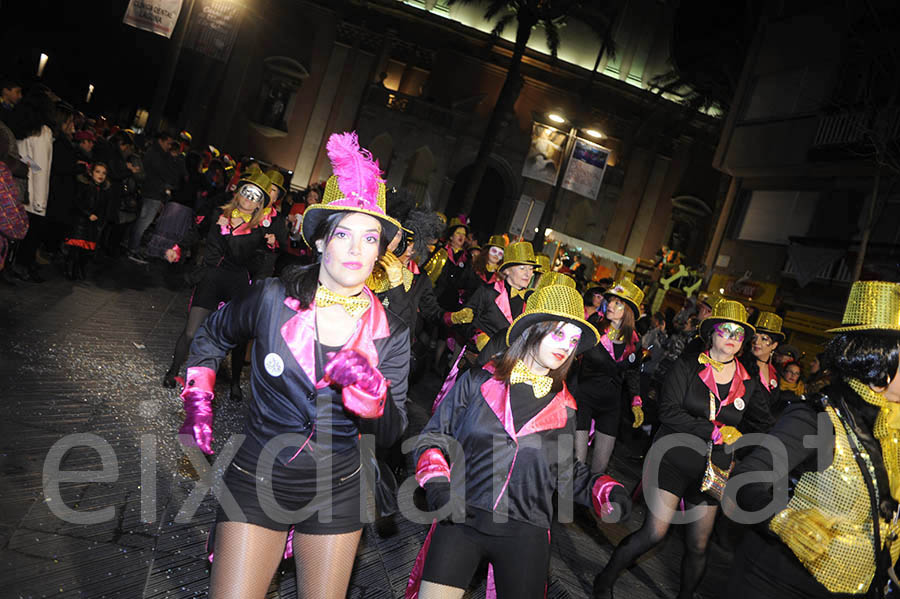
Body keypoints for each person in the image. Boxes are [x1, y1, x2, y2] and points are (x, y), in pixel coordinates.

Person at [178, 131, 409, 599]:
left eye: (370, 239)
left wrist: (372, 398)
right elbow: (211, 336)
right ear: (321, 241)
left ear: (380, 253)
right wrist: (198, 400)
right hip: (257, 477)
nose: (355, 250)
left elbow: (393, 433)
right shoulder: (270, 299)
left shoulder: (392, 333)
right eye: (343, 234)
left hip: (338, 489)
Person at [408, 284, 631, 599]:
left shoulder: (566, 407)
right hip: (461, 515)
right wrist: (438, 485)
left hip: (526, 529)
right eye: (558, 334)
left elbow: (565, 471)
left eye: (573, 339)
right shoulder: (477, 381)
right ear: (530, 330)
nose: (566, 346)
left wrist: (603, 489)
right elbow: (434, 437)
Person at [725, 280, 900, 598]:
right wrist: (784, 522)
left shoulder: (887, 433)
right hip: (775, 583)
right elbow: (744, 483)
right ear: (878, 369)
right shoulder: (816, 420)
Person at [593, 299, 769, 599]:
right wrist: (711, 430)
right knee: (654, 533)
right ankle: (604, 580)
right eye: (725, 331)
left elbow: (766, 422)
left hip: (713, 469)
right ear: (712, 333)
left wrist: (742, 443)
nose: (731, 338)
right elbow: (668, 411)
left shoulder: (748, 382)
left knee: (699, 544)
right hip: (672, 458)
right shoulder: (687, 365)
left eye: (738, 334)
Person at [162, 170, 278, 399]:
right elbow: (196, 232)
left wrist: (227, 230)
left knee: (237, 338)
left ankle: (235, 382)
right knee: (191, 330)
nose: (248, 198)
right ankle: (174, 371)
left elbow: (238, 255)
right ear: (238, 193)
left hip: (236, 284)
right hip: (210, 278)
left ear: (260, 205)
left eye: (255, 196)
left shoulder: (258, 231)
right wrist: (177, 248)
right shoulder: (218, 213)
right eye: (246, 192)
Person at [573, 279, 645, 474]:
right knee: (577, 464)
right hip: (583, 399)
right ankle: (563, 503)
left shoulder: (635, 342)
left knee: (600, 468)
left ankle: (585, 504)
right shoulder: (593, 327)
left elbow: (633, 372)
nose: (610, 306)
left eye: (617, 303)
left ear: (628, 311)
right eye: (610, 301)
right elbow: (571, 355)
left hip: (610, 406)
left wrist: (636, 402)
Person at [128, 131, 182, 262]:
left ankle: (133, 247)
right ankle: (132, 249)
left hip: (153, 192)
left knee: (142, 222)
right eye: (168, 143)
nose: (170, 146)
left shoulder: (157, 153)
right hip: (153, 193)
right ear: (161, 141)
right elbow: (164, 172)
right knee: (143, 223)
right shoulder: (157, 154)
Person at [64, 162, 110, 280]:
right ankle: (70, 270)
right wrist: (88, 214)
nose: (101, 175)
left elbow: (103, 208)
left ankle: (79, 270)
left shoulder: (103, 190)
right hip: (80, 222)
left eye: (104, 173)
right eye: (98, 172)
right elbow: (77, 203)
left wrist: (100, 220)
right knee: (75, 249)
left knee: (86, 250)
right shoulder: (85, 186)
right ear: (91, 173)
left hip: (92, 224)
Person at [740, 311, 784, 423]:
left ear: (774, 345)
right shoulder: (742, 367)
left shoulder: (775, 373)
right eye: (754, 337)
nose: (757, 342)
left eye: (764, 339)